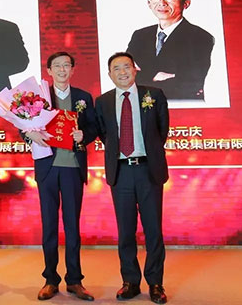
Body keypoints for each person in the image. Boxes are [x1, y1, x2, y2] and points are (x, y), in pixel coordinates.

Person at [95, 52, 169, 304]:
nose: (122, 72)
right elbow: (104, 134)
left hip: (149, 170)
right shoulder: (103, 101)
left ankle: (156, 283)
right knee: (125, 230)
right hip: (121, 171)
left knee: (153, 230)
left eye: (126, 67)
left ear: (135, 70)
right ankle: (130, 282)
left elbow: (162, 130)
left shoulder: (153, 95)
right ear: (110, 74)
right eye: (116, 68)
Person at [23, 52, 97, 301]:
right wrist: (29, 134)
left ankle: (75, 280)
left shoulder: (83, 97)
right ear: (49, 71)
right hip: (47, 167)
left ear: (73, 69)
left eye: (67, 65)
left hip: (73, 167)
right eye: (57, 66)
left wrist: (84, 136)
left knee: (72, 225)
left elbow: (93, 127)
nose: (62, 69)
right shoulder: (39, 98)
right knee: (49, 225)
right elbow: (24, 124)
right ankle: (50, 279)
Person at [126, 0, 214, 100]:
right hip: (142, 103)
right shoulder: (140, 35)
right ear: (149, 3)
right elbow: (124, 74)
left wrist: (143, 76)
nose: (162, 3)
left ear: (186, 3)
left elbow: (190, 83)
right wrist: (158, 76)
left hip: (182, 104)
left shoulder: (200, 37)